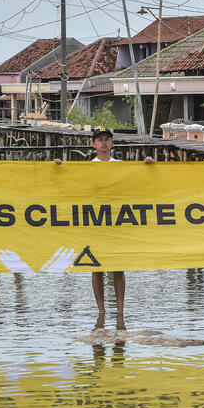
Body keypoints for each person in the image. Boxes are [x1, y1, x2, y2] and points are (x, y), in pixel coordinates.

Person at [54, 127, 154, 331]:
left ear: (112, 143)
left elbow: (138, 182)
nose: (104, 143)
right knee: (96, 267)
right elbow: (70, 185)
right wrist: (59, 168)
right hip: (94, 222)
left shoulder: (122, 166)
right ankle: (101, 311)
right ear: (93, 144)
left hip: (117, 221)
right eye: (100, 140)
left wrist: (148, 166)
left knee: (118, 266)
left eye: (107, 139)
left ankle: (120, 311)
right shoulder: (86, 167)